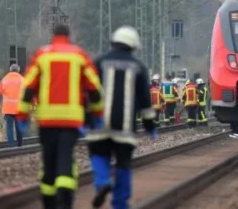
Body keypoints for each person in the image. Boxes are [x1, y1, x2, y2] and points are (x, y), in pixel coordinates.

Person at [16, 23, 104, 209]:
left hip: (47, 121)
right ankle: (65, 199)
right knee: (66, 157)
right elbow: (95, 88)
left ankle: (49, 202)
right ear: (68, 36)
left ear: (53, 36)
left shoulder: (42, 55)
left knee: (49, 160)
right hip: (71, 121)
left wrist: (22, 115)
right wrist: (97, 114)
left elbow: (28, 88)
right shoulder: (79, 56)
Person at [86, 25, 157, 209]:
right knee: (123, 164)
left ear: (113, 42)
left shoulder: (99, 62)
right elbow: (145, 101)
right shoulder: (139, 67)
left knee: (99, 155)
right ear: (133, 46)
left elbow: (86, 91)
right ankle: (120, 203)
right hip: (125, 128)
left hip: (99, 124)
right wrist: (150, 126)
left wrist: (85, 119)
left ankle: (102, 182)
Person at [0, 63, 24, 147]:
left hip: (8, 108)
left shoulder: (4, 79)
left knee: (9, 127)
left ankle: (10, 145)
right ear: (18, 70)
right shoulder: (22, 80)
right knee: (18, 127)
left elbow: (1, 90)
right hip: (19, 109)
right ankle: (19, 144)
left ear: (10, 70)